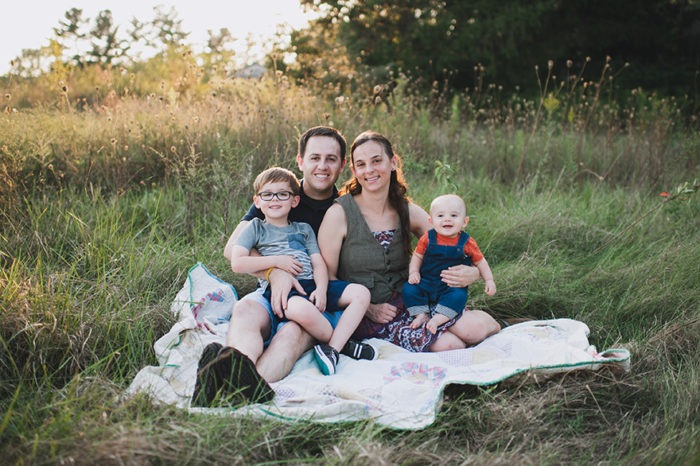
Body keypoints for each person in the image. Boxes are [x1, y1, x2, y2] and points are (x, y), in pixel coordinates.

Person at [192, 126, 376, 407]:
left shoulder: (346, 208)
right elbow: (233, 249)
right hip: (270, 291)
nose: (322, 166)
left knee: (291, 332)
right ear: (301, 160)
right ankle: (232, 368)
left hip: (316, 299)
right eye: (315, 157)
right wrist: (273, 271)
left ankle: (239, 389)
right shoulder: (279, 194)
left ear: (341, 166)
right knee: (244, 310)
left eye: (331, 159)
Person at [317, 131, 501, 353]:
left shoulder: (408, 211)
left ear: (393, 162)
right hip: (371, 315)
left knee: (474, 330)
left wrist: (472, 272)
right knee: (451, 345)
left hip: (414, 301)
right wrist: (368, 308)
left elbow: (455, 246)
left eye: (377, 161)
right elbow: (328, 279)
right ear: (354, 171)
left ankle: (500, 325)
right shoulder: (339, 214)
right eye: (362, 165)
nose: (370, 170)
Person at [228, 166, 371, 376]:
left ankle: (332, 348)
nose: (274, 199)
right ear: (257, 201)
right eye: (267, 195)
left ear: (294, 200)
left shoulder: (303, 229)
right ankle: (342, 344)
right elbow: (237, 262)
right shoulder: (255, 228)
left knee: (361, 293)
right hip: (285, 291)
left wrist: (322, 289)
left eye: (282, 194)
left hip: (312, 285)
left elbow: (318, 264)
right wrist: (277, 263)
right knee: (302, 311)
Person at [403, 194, 496, 335]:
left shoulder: (466, 242)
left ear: (465, 222)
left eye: (453, 215)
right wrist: (414, 272)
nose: (447, 219)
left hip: (451, 286)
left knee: (458, 297)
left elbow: (481, 262)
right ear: (431, 221)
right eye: (440, 216)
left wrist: (489, 280)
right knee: (409, 289)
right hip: (426, 281)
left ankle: (438, 319)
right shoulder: (427, 238)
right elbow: (417, 256)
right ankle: (421, 314)